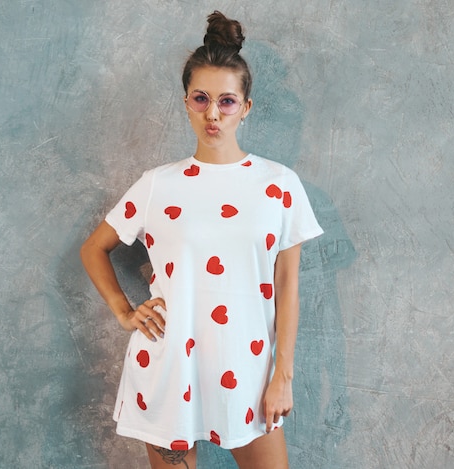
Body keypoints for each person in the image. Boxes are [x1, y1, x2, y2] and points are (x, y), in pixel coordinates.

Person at [80, 11, 323, 469]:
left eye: (227, 101)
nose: (213, 113)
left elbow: (288, 284)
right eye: (201, 98)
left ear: (246, 107)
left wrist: (282, 375)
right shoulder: (157, 184)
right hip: (169, 367)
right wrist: (124, 310)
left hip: (249, 372)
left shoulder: (280, 184)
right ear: (187, 102)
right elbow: (94, 248)